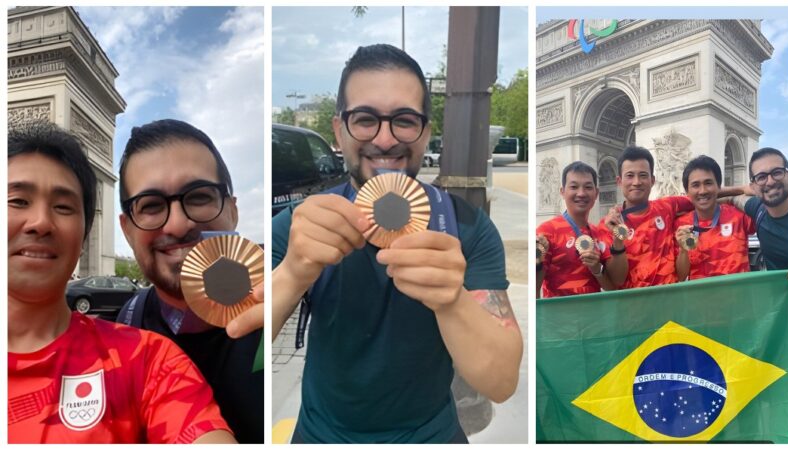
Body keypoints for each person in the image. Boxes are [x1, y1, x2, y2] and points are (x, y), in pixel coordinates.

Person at [271, 44, 523, 443]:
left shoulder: (465, 227)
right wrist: (293, 272)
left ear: (424, 131)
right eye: (365, 119)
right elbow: (242, 337)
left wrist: (451, 300)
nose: (385, 140)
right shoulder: (303, 226)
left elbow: (501, 381)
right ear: (339, 130)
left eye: (404, 121)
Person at [8, 121, 234, 444]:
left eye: (63, 207)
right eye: (17, 201)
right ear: (126, 229)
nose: (41, 222)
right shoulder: (136, 316)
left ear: (85, 234)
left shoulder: (147, 358)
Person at [116, 119, 264, 443]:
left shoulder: (280, 305)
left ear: (233, 210)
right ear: (127, 230)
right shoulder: (126, 327)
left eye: (198, 197)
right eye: (152, 206)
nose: (179, 225)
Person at [601, 146, 694, 288]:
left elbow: (702, 196)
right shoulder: (607, 225)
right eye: (630, 175)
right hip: (632, 307)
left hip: (670, 303)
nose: (637, 182)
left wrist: (736, 195)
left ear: (653, 180)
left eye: (643, 175)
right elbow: (616, 280)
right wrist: (617, 240)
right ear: (619, 181)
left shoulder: (667, 206)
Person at [536, 162, 628, 298]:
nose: (581, 193)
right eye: (574, 187)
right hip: (558, 317)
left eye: (588, 187)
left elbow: (612, 287)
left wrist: (597, 269)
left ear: (596, 193)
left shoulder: (599, 232)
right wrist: (536, 262)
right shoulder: (547, 231)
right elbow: (534, 290)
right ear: (562, 191)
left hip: (594, 316)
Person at [674, 156, 754, 281]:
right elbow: (681, 276)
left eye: (708, 183)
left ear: (718, 186)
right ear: (687, 191)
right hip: (701, 298)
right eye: (695, 185)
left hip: (740, 298)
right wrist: (683, 251)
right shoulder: (680, 225)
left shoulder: (739, 215)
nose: (703, 191)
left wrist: (742, 189)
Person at [725, 147, 788, 270]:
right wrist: (742, 189)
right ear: (753, 187)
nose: (770, 182)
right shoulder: (758, 209)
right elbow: (728, 198)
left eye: (777, 172)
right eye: (761, 177)